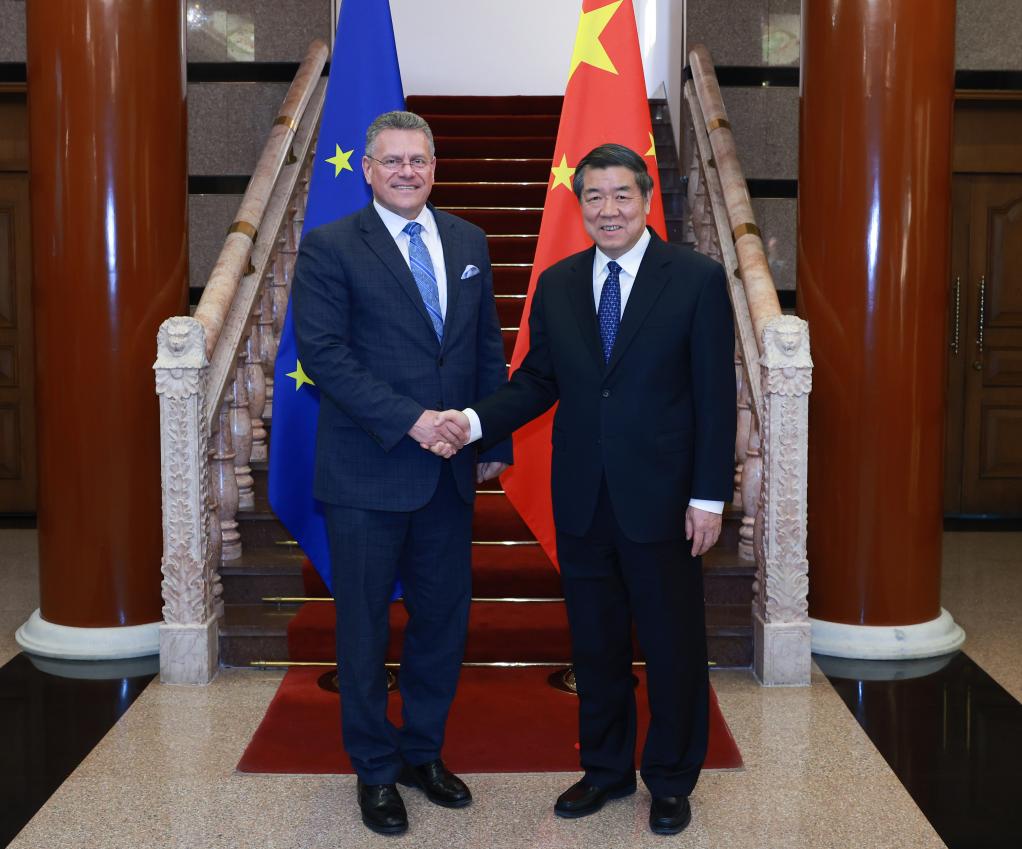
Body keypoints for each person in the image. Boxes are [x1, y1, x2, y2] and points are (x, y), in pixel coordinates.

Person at [432, 143, 736, 836]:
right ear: (580, 206)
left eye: (622, 195)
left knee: (672, 649)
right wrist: (473, 421)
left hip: (666, 502)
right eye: (594, 196)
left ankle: (670, 779)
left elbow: (715, 398)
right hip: (582, 498)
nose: (608, 209)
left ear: (646, 199)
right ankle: (605, 770)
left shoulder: (695, 279)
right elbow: (539, 380)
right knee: (596, 648)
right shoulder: (559, 283)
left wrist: (708, 496)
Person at [291, 110, 511, 836]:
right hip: (368, 470)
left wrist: (489, 434)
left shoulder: (468, 241)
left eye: (418, 159)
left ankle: (423, 752)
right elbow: (324, 355)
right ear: (368, 170)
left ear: (435, 166)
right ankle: (375, 769)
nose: (407, 172)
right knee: (362, 628)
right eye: (392, 161)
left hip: (449, 472)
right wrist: (413, 419)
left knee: (442, 621)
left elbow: (484, 347)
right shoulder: (330, 246)